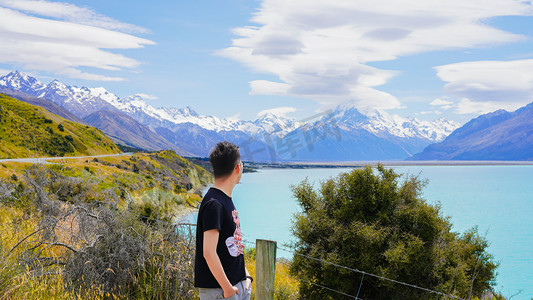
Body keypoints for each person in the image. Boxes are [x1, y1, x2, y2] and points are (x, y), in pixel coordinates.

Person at [194, 141, 252, 300]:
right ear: (237, 168)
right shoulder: (215, 204)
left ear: (213, 169)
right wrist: (227, 289)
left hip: (236, 285)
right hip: (221, 290)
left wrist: (245, 275)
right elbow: (209, 252)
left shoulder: (223, 200)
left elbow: (231, 243)